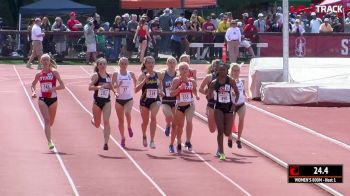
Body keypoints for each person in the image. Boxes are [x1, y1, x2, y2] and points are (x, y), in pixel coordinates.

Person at [31, 54, 65, 150]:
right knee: (47, 120)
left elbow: (63, 86)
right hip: (42, 99)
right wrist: (33, 92)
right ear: (41, 62)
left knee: (51, 122)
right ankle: (49, 142)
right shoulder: (39, 74)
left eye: (47, 60)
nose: (45, 62)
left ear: (49, 61)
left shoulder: (54, 72)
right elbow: (33, 84)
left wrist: (53, 88)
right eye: (43, 60)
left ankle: (48, 133)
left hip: (53, 100)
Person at [208, 63, 239, 160]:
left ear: (226, 71)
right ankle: (221, 152)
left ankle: (222, 148)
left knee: (227, 132)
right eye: (220, 70)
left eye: (223, 70)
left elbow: (237, 94)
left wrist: (234, 104)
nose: (222, 71)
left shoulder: (231, 81)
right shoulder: (214, 82)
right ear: (217, 71)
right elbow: (209, 96)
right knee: (220, 130)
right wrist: (209, 96)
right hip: (218, 107)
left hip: (229, 107)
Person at [169, 62, 200, 153]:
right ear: (179, 70)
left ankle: (188, 141)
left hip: (190, 105)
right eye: (182, 68)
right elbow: (171, 94)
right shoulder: (176, 80)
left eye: (186, 68)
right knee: (180, 126)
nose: (184, 70)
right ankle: (178, 142)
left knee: (189, 121)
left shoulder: (192, 81)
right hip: (179, 106)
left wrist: (197, 95)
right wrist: (179, 88)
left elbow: (194, 90)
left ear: (188, 70)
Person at [135, 56, 163, 149]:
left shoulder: (158, 74)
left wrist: (161, 91)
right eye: (149, 63)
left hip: (155, 100)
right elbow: (136, 90)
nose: (151, 64)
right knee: (145, 121)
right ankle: (144, 135)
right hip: (144, 100)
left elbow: (160, 85)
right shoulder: (142, 75)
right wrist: (144, 81)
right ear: (145, 64)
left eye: (152, 62)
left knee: (153, 117)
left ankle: (152, 140)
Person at [89, 57, 114, 150]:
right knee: (97, 125)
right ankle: (94, 119)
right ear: (98, 66)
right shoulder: (96, 76)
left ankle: (106, 142)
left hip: (107, 101)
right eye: (100, 64)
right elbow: (90, 87)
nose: (102, 66)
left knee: (106, 121)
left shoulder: (109, 76)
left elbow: (111, 86)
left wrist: (115, 90)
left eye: (104, 64)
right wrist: (99, 87)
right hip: (97, 102)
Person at [111, 57, 136, 148]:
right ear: (119, 64)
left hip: (129, 98)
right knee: (121, 121)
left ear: (127, 64)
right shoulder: (115, 74)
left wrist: (135, 87)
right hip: (119, 100)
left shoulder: (131, 74)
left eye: (125, 64)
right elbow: (112, 86)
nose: (124, 65)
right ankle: (122, 137)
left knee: (127, 112)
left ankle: (129, 126)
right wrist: (118, 86)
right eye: (122, 63)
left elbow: (136, 82)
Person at [228, 63, 248, 149]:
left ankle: (239, 139)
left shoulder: (241, 81)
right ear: (231, 71)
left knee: (241, 120)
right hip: (232, 105)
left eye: (238, 70)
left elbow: (243, 91)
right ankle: (230, 137)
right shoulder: (228, 81)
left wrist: (247, 96)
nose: (236, 72)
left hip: (241, 104)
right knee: (231, 122)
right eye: (234, 70)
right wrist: (231, 92)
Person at [199, 59, 220, 133]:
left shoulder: (226, 77)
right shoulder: (209, 77)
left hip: (222, 104)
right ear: (212, 67)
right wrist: (207, 93)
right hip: (211, 103)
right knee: (212, 129)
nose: (217, 68)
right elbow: (200, 89)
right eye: (215, 66)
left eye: (219, 66)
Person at [159, 57, 178, 137]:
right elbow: (159, 83)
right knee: (169, 116)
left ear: (176, 64)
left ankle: (170, 128)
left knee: (175, 119)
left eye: (173, 62)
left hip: (175, 100)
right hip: (165, 100)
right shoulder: (163, 74)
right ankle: (168, 124)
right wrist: (160, 91)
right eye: (170, 62)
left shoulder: (178, 74)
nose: (172, 64)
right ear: (167, 64)